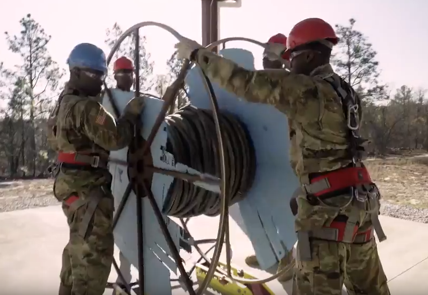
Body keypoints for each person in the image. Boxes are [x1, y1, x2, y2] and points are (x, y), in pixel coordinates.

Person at [174, 17, 390, 294]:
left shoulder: (303, 90)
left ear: (310, 55)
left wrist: (198, 55)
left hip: (326, 214)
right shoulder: (346, 92)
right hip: (359, 206)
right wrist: (287, 61)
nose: (291, 64)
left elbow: (247, 83)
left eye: (295, 57)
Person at [47, 42, 145, 295]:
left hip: (71, 186)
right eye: (94, 74)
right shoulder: (87, 108)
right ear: (76, 72)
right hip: (88, 190)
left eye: (103, 75)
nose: (100, 81)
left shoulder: (63, 103)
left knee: (76, 252)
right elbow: (115, 139)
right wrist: (131, 116)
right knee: (93, 264)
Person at [243, 32, 295, 283]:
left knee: (286, 209)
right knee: (262, 206)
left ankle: (288, 259)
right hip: (264, 156)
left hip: (290, 159)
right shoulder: (262, 83)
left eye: (271, 55)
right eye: (265, 55)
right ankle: (270, 253)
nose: (265, 59)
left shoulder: (292, 84)